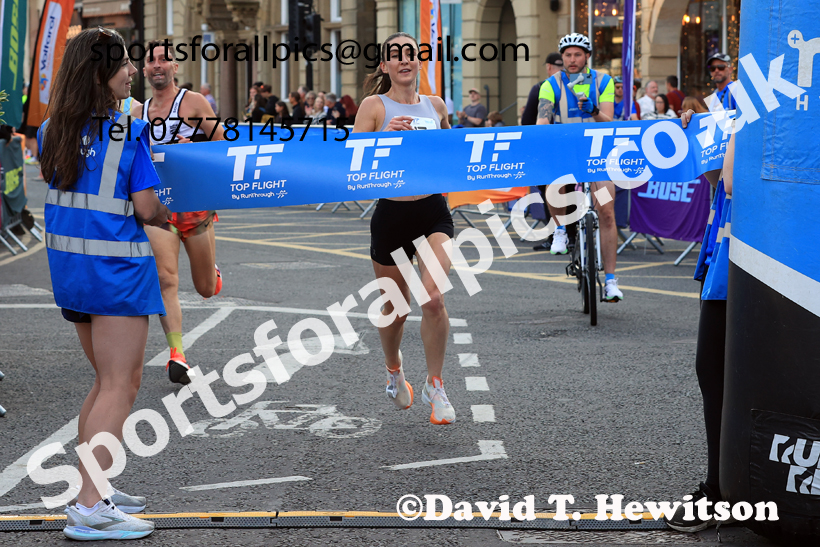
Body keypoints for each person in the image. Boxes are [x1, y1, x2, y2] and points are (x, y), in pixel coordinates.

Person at [38, 27, 171, 540]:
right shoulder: (129, 131)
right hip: (116, 273)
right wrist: (172, 211)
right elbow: (147, 208)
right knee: (121, 384)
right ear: (99, 72)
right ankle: (91, 505)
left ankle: (93, 490)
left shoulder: (52, 129)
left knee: (103, 383)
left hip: (73, 272)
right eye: (123, 64)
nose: (132, 71)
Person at [353, 31, 456, 425]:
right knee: (396, 309)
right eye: (395, 54)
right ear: (385, 65)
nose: (404, 59)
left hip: (432, 212)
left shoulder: (436, 105)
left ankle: (435, 385)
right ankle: (394, 370)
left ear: (419, 60)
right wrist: (384, 137)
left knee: (433, 299)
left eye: (410, 53)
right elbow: (351, 163)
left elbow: (453, 152)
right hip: (391, 215)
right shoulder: (374, 106)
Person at [132, 41, 225, 385]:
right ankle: (177, 355)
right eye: (151, 60)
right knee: (166, 279)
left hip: (194, 206)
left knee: (205, 289)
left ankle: (212, 273)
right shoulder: (137, 113)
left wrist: (195, 147)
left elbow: (223, 145)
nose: (157, 65)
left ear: (174, 66)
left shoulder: (193, 102)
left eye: (164, 59)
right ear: (144, 69)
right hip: (158, 208)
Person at [665, 108, 736, 533]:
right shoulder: (746, 103)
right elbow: (717, 181)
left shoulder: (765, 104)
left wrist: (732, 132)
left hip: (750, 260)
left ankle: (720, 491)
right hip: (728, 254)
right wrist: (703, 136)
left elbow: (733, 181)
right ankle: (727, 486)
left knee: (716, 371)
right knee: (717, 372)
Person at [536, 32, 623, 302]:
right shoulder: (550, 84)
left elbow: (609, 121)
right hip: (566, 150)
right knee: (554, 179)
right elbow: (542, 121)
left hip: (598, 155)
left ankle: (610, 281)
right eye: (567, 55)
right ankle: (560, 229)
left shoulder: (603, 81)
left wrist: (594, 110)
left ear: (587, 57)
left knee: (606, 213)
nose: (572, 60)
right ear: (562, 58)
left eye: (577, 55)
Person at [521, 52, 563, 126]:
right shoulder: (572, 86)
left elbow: (527, 120)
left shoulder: (540, 87)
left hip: (547, 131)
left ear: (548, 67)